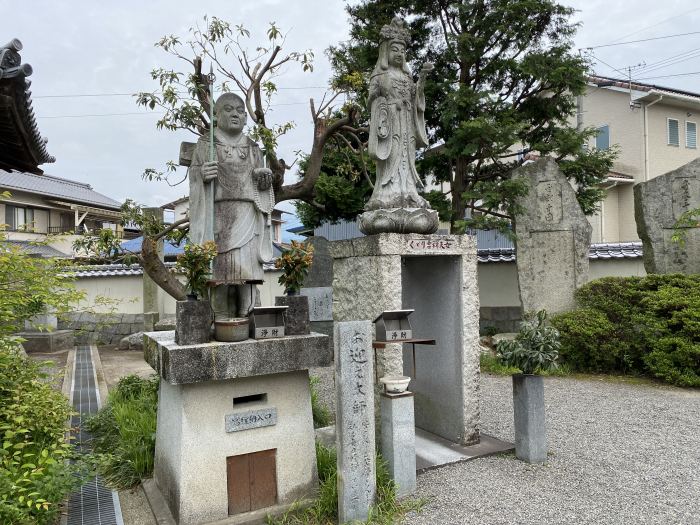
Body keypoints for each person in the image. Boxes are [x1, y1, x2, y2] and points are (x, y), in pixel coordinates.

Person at [188, 92, 274, 317]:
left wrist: (264, 178)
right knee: (220, 272)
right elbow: (195, 174)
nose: (235, 114)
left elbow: (260, 181)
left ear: (246, 117)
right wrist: (201, 174)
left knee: (248, 273)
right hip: (218, 215)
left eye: (240, 111)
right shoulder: (207, 143)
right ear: (216, 115)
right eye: (228, 109)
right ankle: (220, 318)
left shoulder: (254, 147)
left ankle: (250, 314)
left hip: (248, 213)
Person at [366, 16, 434, 211]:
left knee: (407, 156)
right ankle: (386, 194)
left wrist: (421, 78)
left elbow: (416, 99)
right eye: (394, 49)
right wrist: (386, 105)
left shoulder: (407, 77)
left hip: (407, 124)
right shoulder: (380, 75)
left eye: (403, 51)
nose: (399, 54)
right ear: (385, 51)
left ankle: (409, 192)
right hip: (390, 124)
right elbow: (372, 102)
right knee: (392, 156)